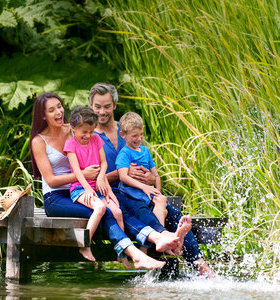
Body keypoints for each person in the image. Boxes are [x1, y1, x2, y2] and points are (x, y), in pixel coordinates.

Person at [30, 92, 183, 270]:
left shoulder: (75, 129)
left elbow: (95, 154)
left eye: (59, 107)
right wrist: (85, 175)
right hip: (57, 197)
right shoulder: (39, 141)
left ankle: (156, 238)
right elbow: (51, 180)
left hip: (86, 187)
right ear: (43, 115)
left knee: (117, 209)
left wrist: (101, 177)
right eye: (51, 110)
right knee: (104, 212)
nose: (58, 112)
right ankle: (135, 252)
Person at [89, 83, 215, 277]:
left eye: (107, 106)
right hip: (111, 195)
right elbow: (90, 177)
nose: (102, 111)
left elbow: (147, 165)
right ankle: (163, 245)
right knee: (141, 212)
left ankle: (201, 267)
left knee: (173, 213)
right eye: (97, 106)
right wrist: (122, 173)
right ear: (90, 106)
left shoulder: (129, 129)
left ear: (114, 105)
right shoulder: (88, 137)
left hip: (138, 190)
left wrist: (150, 177)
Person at [64, 106, 124, 261]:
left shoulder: (96, 139)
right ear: (73, 128)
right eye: (84, 132)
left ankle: (121, 251)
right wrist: (87, 189)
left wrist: (100, 177)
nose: (88, 135)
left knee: (117, 212)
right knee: (100, 207)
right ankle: (84, 245)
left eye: (91, 131)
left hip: (97, 186)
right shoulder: (71, 145)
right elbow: (77, 171)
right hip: (79, 188)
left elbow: (103, 163)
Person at [116, 112, 167, 226]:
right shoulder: (124, 153)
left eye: (141, 134)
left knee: (163, 205)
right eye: (134, 136)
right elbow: (123, 176)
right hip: (132, 194)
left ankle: (155, 240)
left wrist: (157, 192)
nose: (139, 139)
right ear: (123, 135)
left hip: (147, 193)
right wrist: (144, 187)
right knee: (162, 207)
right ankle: (161, 235)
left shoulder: (145, 151)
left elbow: (156, 176)